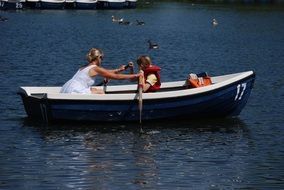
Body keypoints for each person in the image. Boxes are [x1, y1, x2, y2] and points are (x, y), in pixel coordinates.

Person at [60, 48, 141, 94]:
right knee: (101, 92)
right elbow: (116, 77)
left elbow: (106, 72)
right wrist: (135, 75)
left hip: (66, 88)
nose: (102, 60)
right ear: (98, 58)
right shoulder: (95, 68)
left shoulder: (83, 67)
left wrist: (119, 69)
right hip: (74, 91)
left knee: (95, 90)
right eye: (102, 58)